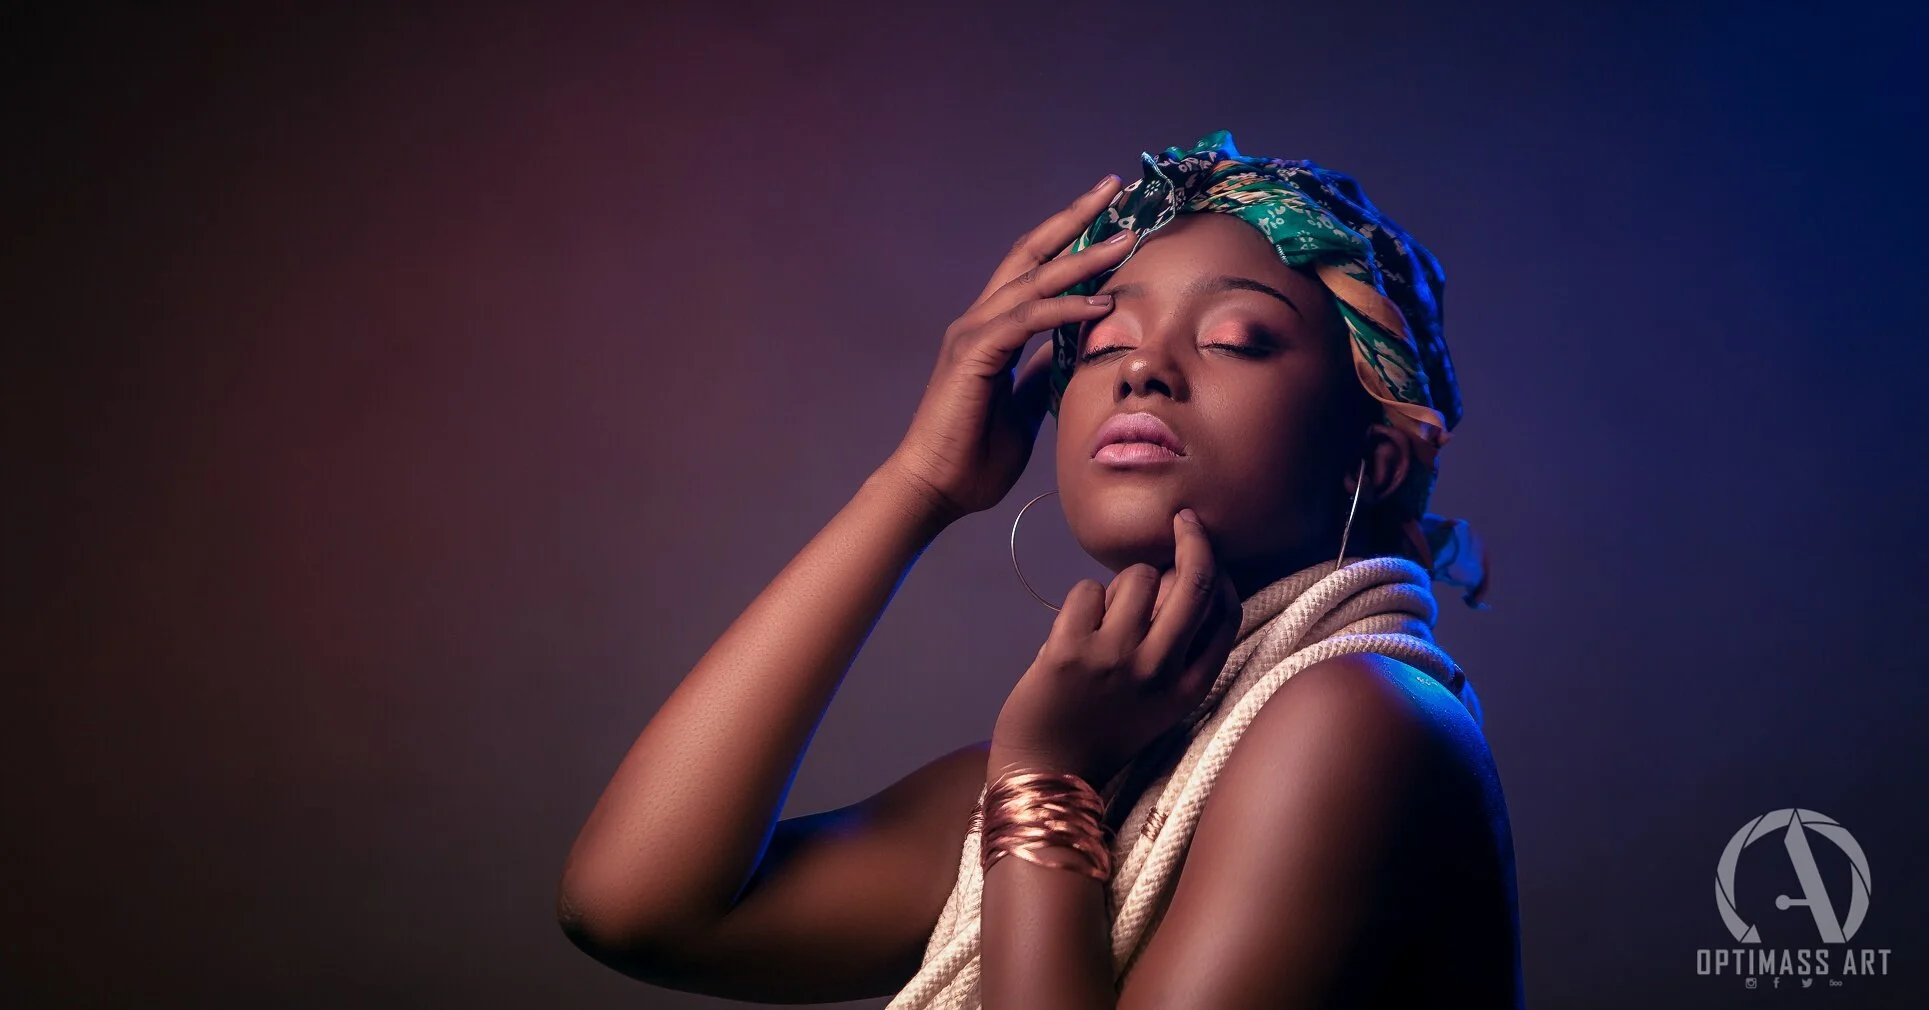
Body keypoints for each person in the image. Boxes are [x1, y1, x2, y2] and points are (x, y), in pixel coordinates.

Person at [557, 131, 1523, 1009]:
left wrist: (1045, 784)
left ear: (1372, 457)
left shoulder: (1363, 717)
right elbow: (637, 906)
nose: (1139, 371)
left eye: (1234, 338)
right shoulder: (1120, 763)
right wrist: (919, 483)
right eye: (1103, 343)